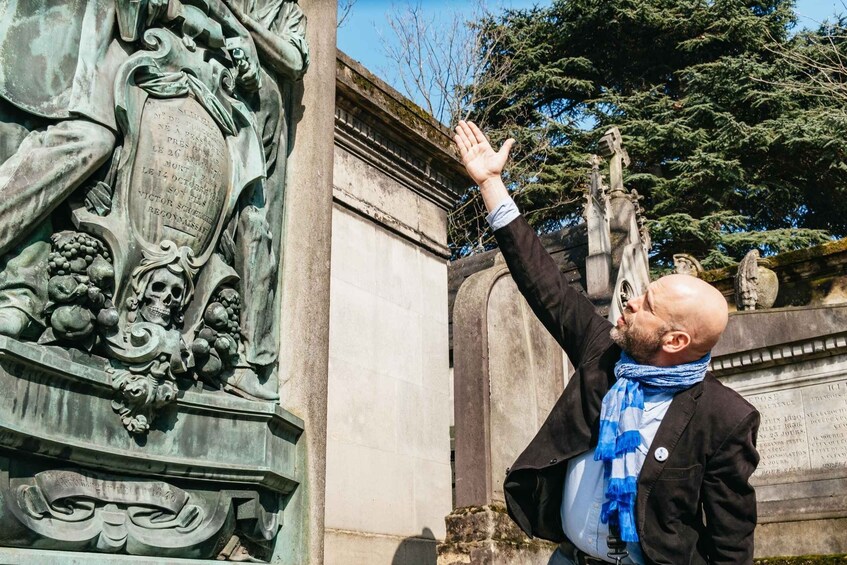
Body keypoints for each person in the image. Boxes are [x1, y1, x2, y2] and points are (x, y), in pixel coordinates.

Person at [453, 120, 760, 565]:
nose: (631, 302)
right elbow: (544, 283)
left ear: (675, 340)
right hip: (569, 558)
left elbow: (731, 544)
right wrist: (492, 183)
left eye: (648, 304)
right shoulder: (605, 355)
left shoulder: (724, 418)